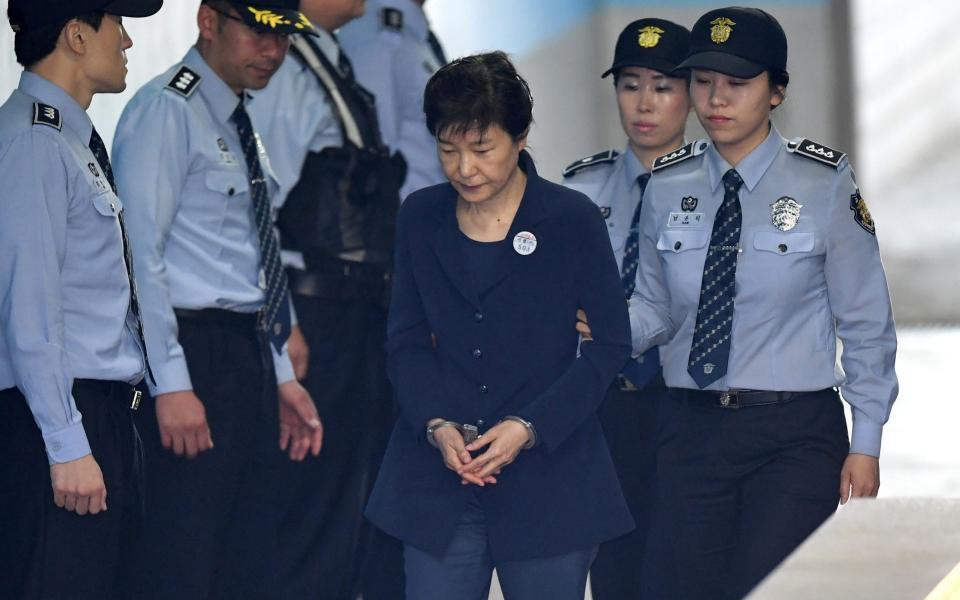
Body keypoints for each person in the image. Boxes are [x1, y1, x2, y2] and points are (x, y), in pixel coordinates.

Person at [626, 7, 898, 599]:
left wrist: (867, 442)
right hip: (689, 428)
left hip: (792, 434)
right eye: (703, 81)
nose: (716, 99)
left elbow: (867, 323)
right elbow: (654, 307)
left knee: (772, 590)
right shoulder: (667, 184)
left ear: (776, 92)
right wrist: (588, 327)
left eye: (738, 83)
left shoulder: (823, 183)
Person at [364, 51, 635, 600]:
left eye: (482, 149)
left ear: (521, 138)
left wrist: (528, 427)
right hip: (443, 477)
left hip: (550, 480)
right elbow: (406, 341)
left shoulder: (570, 218)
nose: (465, 168)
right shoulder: (420, 216)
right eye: (448, 148)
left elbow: (610, 345)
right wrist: (436, 424)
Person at [111, 2, 323, 597]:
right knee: (182, 557)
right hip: (192, 351)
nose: (273, 51)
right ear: (209, 21)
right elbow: (140, 258)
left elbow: (254, 257)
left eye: (283, 37)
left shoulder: (235, 118)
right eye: (259, 31)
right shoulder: (165, 110)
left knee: (246, 556)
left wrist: (280, 371)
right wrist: (171, 384)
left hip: (243, 353)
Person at [0, 1, 161, 598]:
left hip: (100, 413)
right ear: (75, 34)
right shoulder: (34, 143)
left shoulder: (69, 140)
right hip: (59, 417)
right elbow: (30, 313)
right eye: (117, 25)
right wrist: (67, 445)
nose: (126, 43)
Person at [249, 0, 408, 597]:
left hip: (355, 313)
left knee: (349, 507)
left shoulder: (325, 58)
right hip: (314, 316)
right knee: (310, 512)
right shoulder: (285, 69)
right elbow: (259, 209)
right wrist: (280, 319)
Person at [561, 17, 690, 600]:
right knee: (611, 570)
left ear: (692, 92)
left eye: (663, 86)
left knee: (681, 568)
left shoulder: (725, 192)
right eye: (630, 83)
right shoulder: (579, 191)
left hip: (687, 405)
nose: (644, 103)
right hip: (602, 405)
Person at [339, 0, 447, 199]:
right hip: (408, 219)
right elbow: (375, 157)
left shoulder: (412, 34)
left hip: (435, 213)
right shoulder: (375, 32)